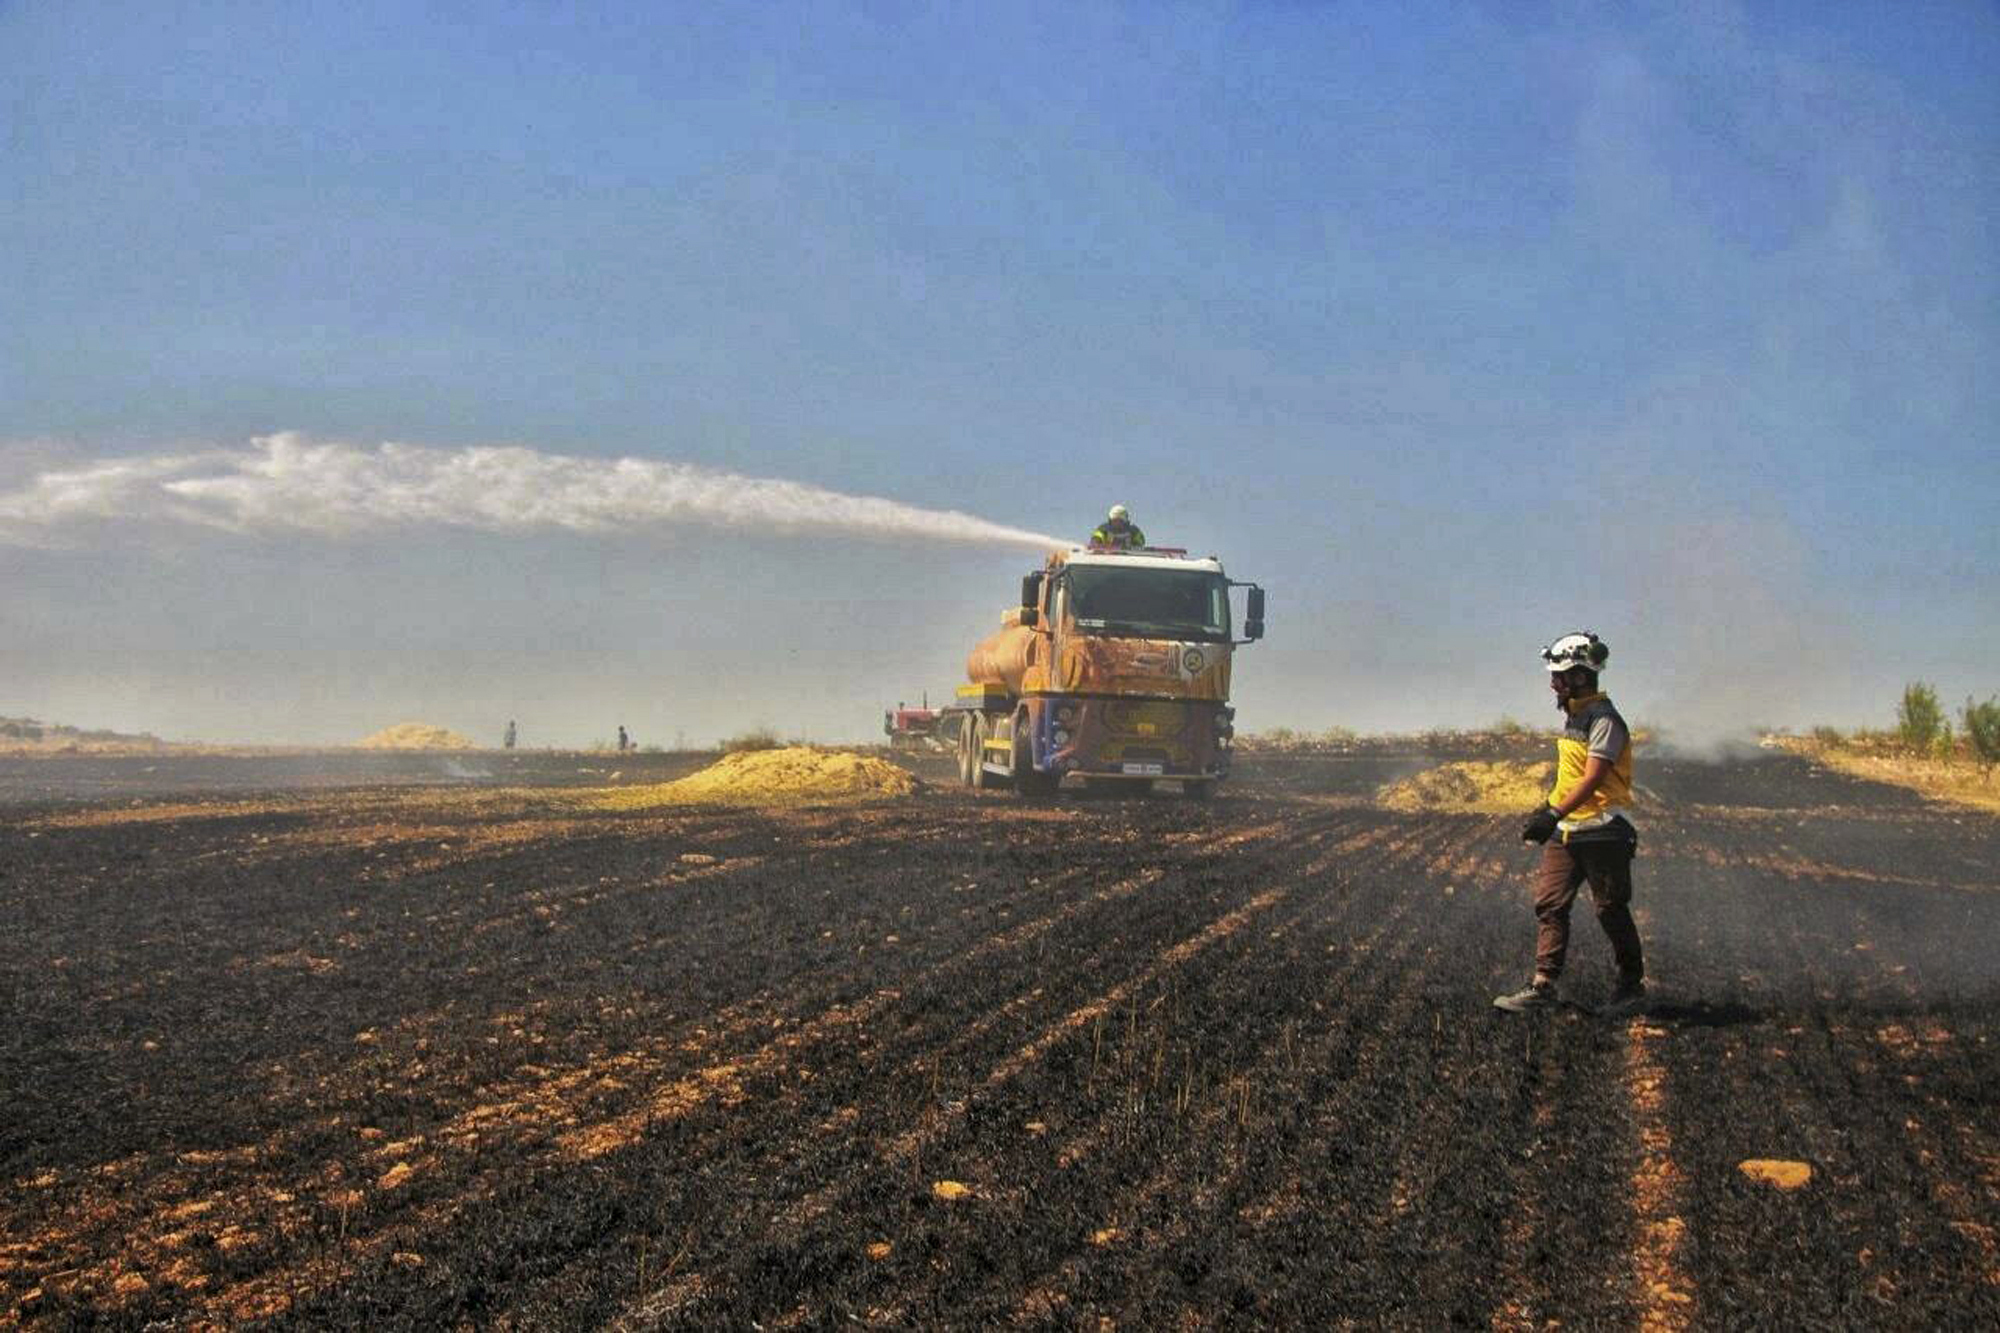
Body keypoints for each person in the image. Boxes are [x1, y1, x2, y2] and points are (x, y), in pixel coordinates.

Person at [1493, 631, 1647, 1017]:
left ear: (1580, 677)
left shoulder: (1605, 720)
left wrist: (1554, 814)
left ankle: (1631, 988)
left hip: (1604, 829)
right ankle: (1543, 986)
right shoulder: (1576, 717)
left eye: (1559, 676)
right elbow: (1570, 776)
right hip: (1569, 831)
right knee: (1550, 904)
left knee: (1610, 909)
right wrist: (1546, 808)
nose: (1552, 683)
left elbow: (1593, 777)